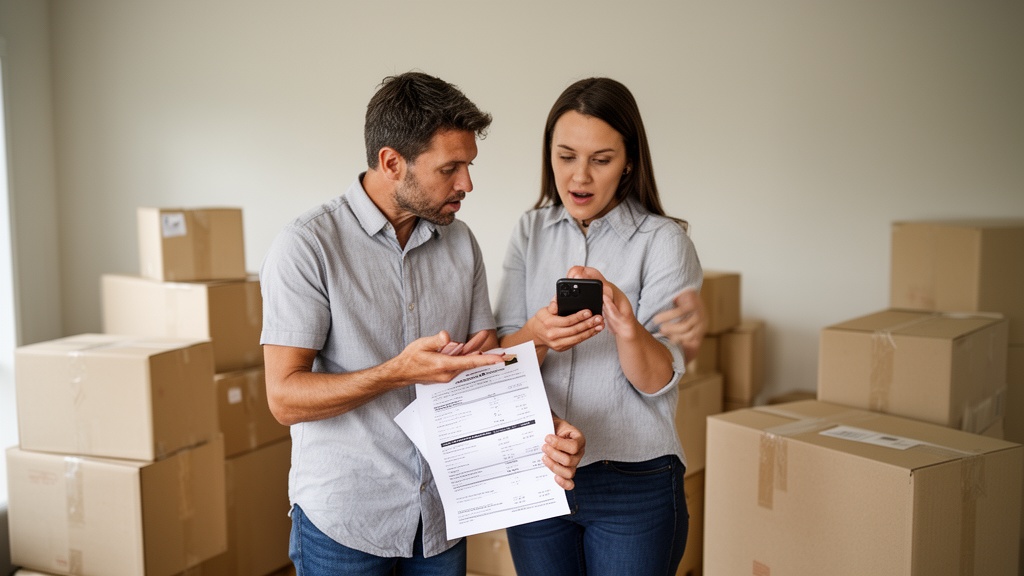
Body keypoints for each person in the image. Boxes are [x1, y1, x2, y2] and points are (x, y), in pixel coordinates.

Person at [259, 71, 585, 576]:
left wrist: (539, 426)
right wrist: (397, 371)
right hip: (346, 521)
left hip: (441, 515)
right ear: (392, 163)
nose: (467, 184)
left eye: (469, 165)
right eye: (450, 168)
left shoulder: (460, 242)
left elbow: (481, 370)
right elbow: (283, 398)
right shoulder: (308, 246)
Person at [494, 77, 703, 575]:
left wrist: (628, 326)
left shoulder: (664, 241)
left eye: (601, 159)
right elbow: (501, 356)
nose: (579, 176)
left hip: (634, 480)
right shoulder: (529, 231)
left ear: (629, 161)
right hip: (539, 472)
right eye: (566, 156)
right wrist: (538, 335)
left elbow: (658, 380)